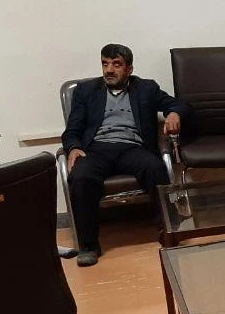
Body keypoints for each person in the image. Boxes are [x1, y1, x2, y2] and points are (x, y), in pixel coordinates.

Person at [62, 43, 192, 267]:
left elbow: (180, 105)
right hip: (97, 148)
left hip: (133, 147)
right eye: (105, 64)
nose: (109, 70)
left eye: (116, 64)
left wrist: (174, 113)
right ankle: (88, 245)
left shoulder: (146, 88)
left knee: (155, 168)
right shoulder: (86, 91)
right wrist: (73, 147)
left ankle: (168, 229)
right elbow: (72, 129)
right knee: (81, 177)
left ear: (129, 69)